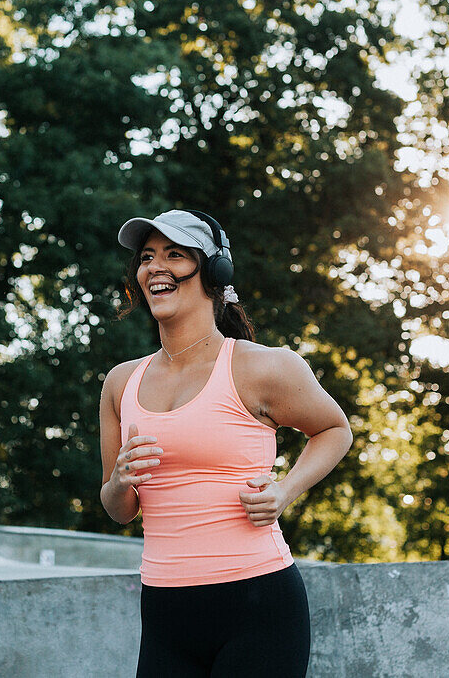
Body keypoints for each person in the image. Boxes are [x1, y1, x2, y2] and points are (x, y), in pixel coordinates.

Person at [98, 209, 354, 677]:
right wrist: (118, 479)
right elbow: (119, 509)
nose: (155, 266)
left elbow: (336, 430)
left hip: (257, 605)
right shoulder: (120, 382)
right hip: (164, 613)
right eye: (147, 257)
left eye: (174, 255)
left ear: (215, 271)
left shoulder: (264, 367)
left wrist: (285, 491)